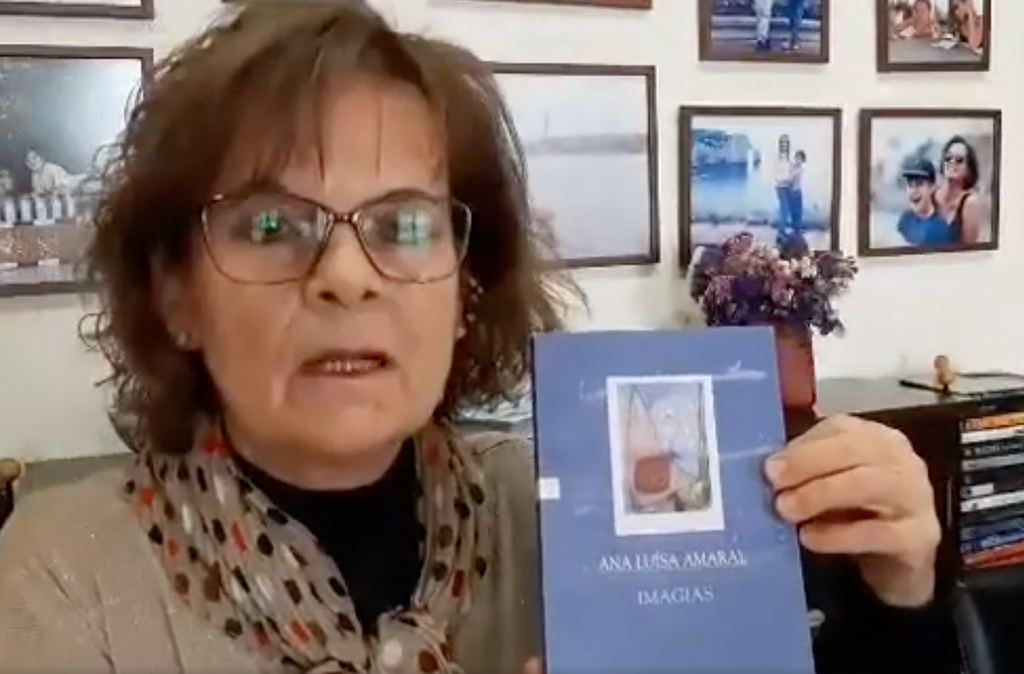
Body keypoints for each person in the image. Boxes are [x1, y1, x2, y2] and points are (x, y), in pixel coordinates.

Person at [0, 3, 955, 674]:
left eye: (404, 224)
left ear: (465, 289)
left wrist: (896, 598)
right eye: (272, 224)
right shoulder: (61, 575)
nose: (345, 275)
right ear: (176, 297)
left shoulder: (566, 514)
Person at [935, 135, 984, 244]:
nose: (952, 161)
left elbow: (970, 250)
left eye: (959, 160)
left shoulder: (969, 204)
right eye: (948, 157)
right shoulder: (930, 197)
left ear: (969, 169)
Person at [895, 157, 955, 247]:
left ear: (932, 187)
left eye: (919, 184)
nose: (913, 191)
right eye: (910, 185)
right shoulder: (905, 218)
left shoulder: (940, 228)